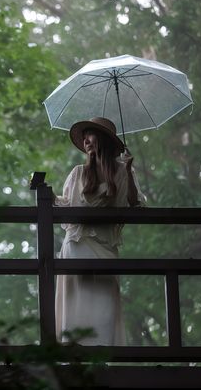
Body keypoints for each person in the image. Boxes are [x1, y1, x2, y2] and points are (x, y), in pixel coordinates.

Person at [53, 117, 145, 346]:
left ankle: (101, 359)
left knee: (105, 309)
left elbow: (136, 205)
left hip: (105, 248)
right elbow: (65, 204)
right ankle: (75, 360)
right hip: (77, 244)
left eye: (90, 135)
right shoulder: (78, 173)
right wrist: (46, 195)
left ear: (103, 139)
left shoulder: (123, 172)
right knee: (79, 308)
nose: (85, 140)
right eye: (84, 137)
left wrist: (130, 171)